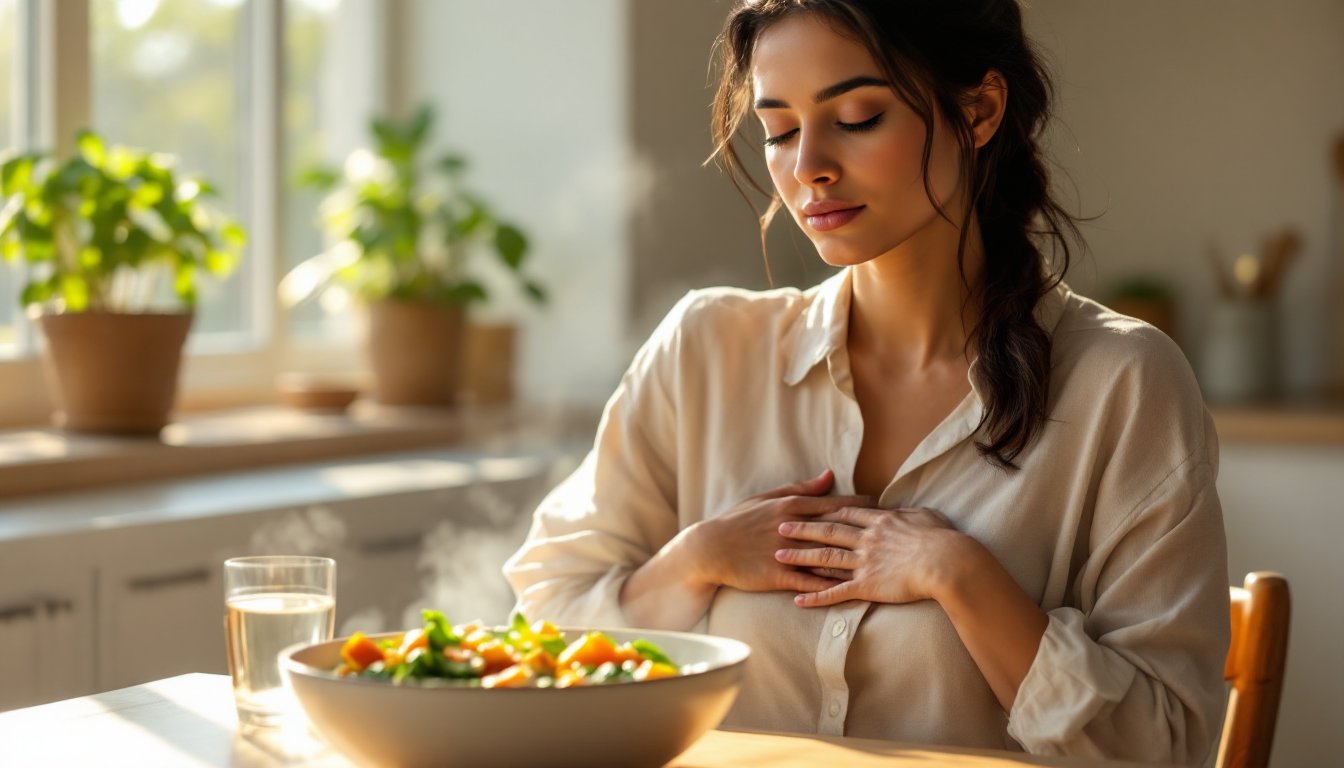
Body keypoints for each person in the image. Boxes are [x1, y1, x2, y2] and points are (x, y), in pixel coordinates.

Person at [504, 0, 1229, 764]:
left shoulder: (1124, 384)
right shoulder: (703, 351)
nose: (807, 165)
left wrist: (959, 575)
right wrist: (699, 560)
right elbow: (543, 629)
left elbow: (1165, 747)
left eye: (855, 117)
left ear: (979, 111)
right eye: (779, 129)